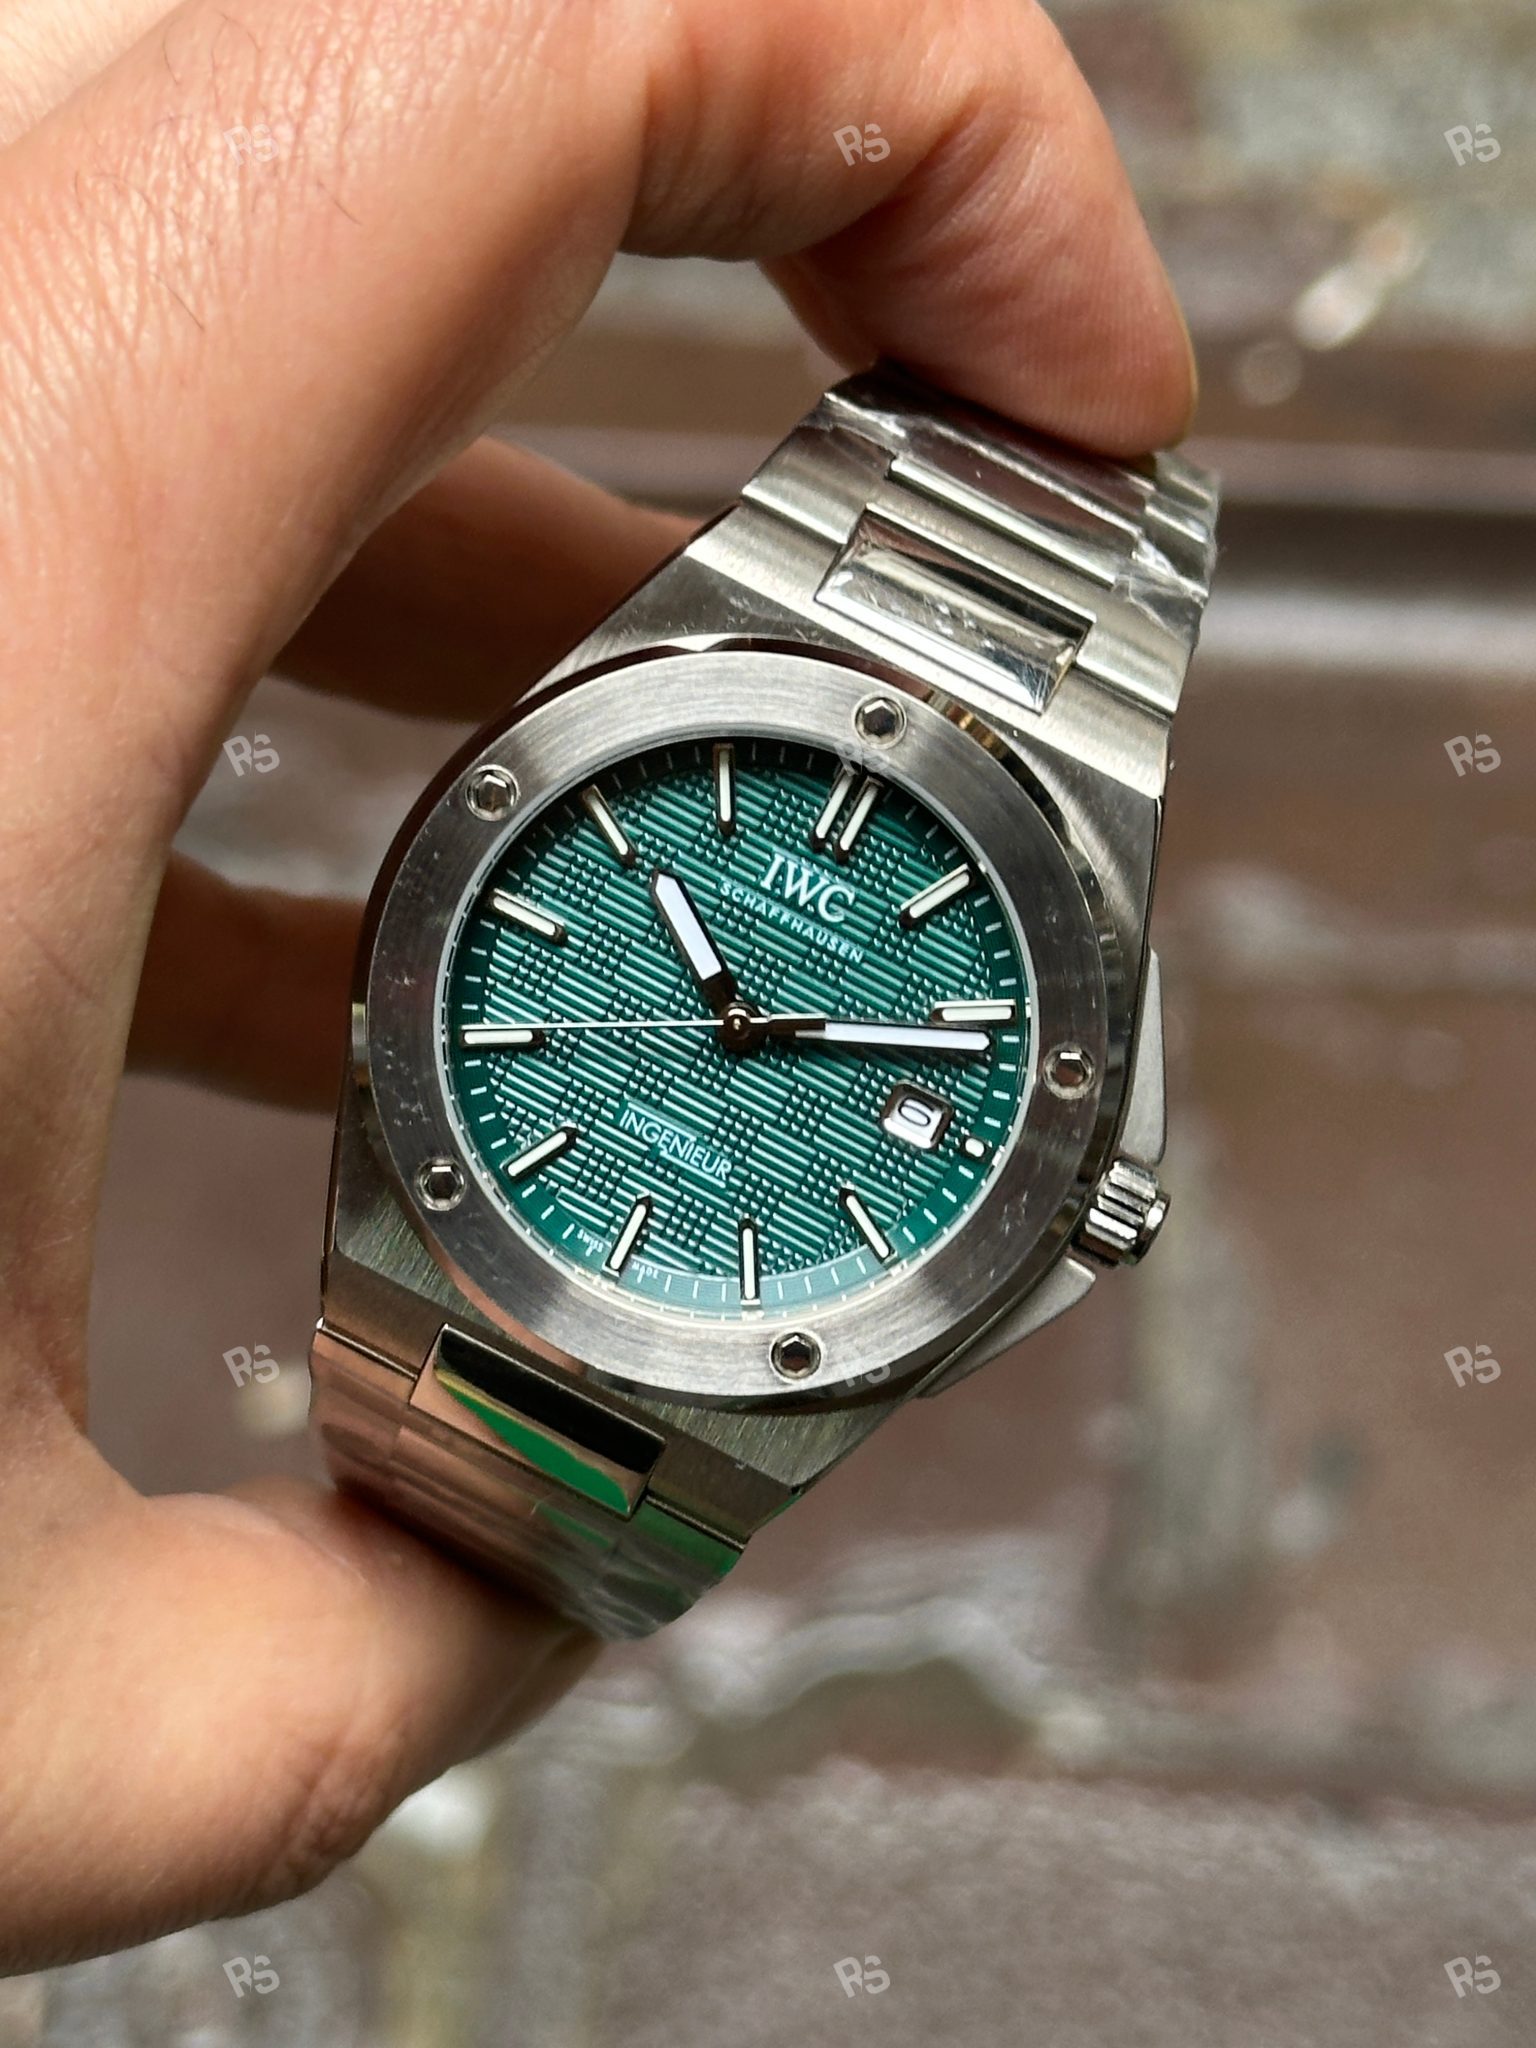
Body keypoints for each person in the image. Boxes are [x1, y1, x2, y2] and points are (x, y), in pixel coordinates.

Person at [0, 0, 1195, 1972]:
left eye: (751, 1019)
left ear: (1075, 1202)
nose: (736, 1023)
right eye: (728, 995)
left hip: (615, 1224)